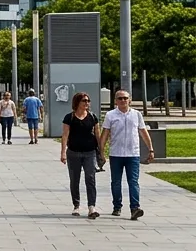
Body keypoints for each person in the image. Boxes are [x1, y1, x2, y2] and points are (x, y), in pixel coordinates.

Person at [100, 90, 155, 220]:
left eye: (125, 98)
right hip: (116, 154)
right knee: (116, 182)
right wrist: (101, 152)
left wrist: (150, 149)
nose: (123, 100)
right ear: (115, 101)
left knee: (133, 182)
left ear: (129, 100)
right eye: (120, 98)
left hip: (133, 154)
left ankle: (134, 208)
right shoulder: (110, 115)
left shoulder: (136, 114)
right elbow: (105, 134)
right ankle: (117, 206)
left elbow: (143, 132)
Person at [61, 91, 101, 219]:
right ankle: (76, 206)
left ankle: (91, 207)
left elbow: (98, 135)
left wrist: (101, 152)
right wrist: (63, 153)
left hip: (90, 152)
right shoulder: (69, 117)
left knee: (90, 178)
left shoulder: (93, 117)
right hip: (73, 153)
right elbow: (65, 135)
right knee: (75, 180)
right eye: (84, 100)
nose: (87, 103)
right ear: (77, 102)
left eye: (88, 101)